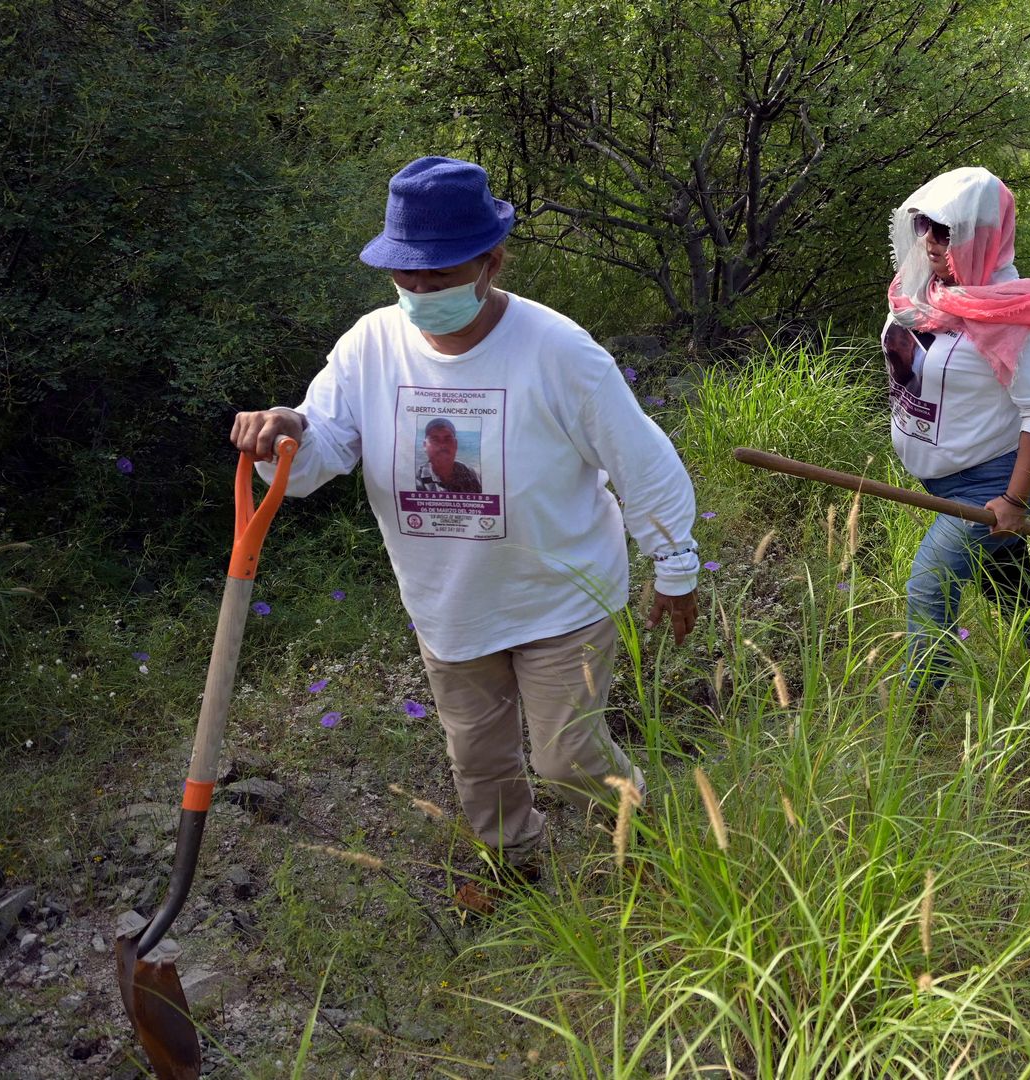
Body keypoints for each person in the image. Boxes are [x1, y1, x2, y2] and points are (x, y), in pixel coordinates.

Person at [229, 156, 701, 860]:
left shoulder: (558, 351)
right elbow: (316, 455)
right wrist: (287, 431)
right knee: (478, 761)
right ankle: (513, 865)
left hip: (560, 597)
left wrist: (675, 563)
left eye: (441, 276)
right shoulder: (370, 346)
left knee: (567, 758)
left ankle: (654, 835)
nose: (420, 293)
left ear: (492, 264)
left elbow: (641, 458)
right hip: (449, 602)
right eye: (406, 277)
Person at [882, 166, 1030, 691]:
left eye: (946, 232)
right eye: (925, 229)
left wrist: (1013, 501)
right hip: (941, 476)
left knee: (928, 587)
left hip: (991, 482)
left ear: (980, 236)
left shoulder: (1016, 310)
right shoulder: (922, 290)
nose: (932, 243)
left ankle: (915, 719)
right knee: (1006, 579)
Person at [416, 417, 482, 492]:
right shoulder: (416, 480)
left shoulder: (472, 475)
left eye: (448, 439)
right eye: (435, 440)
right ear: (425, 446)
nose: (442, 445)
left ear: (456, 444)